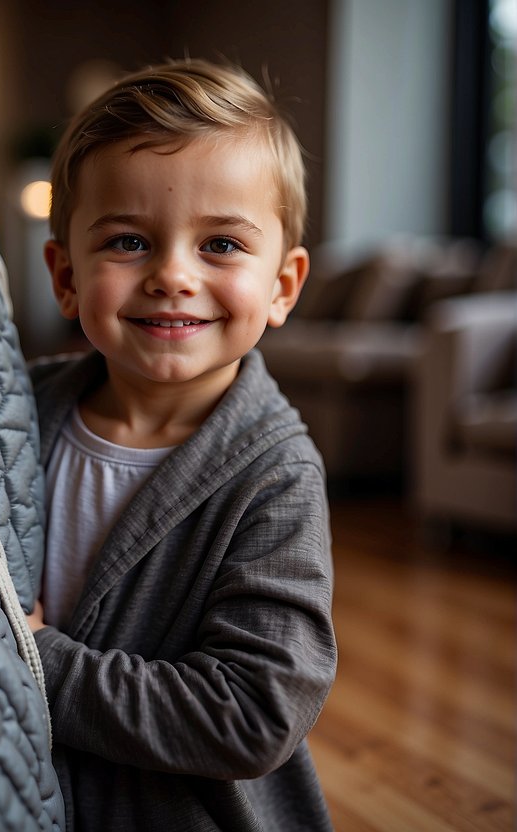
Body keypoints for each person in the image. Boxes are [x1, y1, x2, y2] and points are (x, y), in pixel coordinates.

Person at [25, 57, 338, 830]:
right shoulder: (10, 411)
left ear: (282, 287)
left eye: (222, 246)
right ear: (65, 277)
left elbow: (251, 713)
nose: (171, 275)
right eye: (128, 241)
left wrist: (34, 662)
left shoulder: (273, 476)